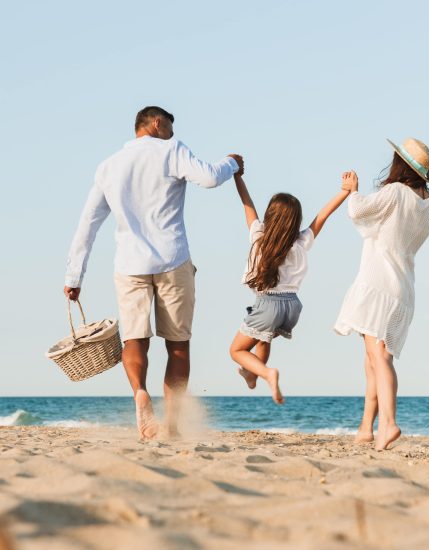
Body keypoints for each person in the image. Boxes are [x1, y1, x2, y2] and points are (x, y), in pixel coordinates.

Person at [63, 106, 244, 439]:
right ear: (157, 123)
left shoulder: (109, 166)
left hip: (129, 265)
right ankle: (172, 426)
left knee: (134, 340)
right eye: (170, 128)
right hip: (172, 261)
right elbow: (209, 177)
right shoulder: (171, 149)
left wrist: (74, 277)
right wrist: (232, 162)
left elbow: (87, 224)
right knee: (178, 346)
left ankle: (140, 394)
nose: (172, 135)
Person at [335, 138, 429, 450]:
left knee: (379, 358)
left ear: (400, 164)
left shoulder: (394, 193)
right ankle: (365, 428)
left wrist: (352, 187)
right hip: (404, 290)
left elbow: (356, 210)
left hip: (377, 284)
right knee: (373, 359)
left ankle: (388, 424)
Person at [229, 173, 350, 403]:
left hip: (268, 304)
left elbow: (247, 204)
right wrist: (344, 191)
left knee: (236, 351)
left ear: (269, 216)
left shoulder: (259, 235)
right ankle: (252, 375)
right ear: (295, 222)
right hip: (292, 306)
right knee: (263, 339)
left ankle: (266, 373)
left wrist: (238, 177)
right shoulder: (301, 241)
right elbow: (323, 215)